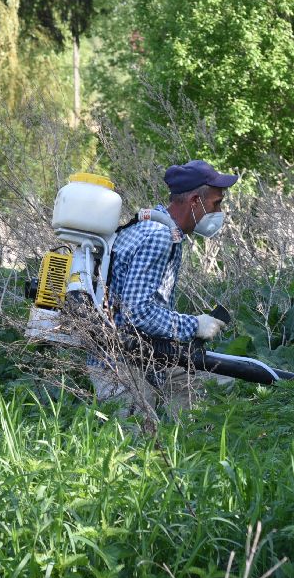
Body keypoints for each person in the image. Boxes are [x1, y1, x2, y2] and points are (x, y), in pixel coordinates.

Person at [89, 158, 238, 415]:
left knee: (220, 380)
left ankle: (192, 445)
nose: (219, 212)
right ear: (194, 201)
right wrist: (196, 326)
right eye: (216, 203)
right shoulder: (158, 237)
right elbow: (138, 313)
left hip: (145, 354)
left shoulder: (153, 228)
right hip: (118, 360)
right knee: (137, 438)